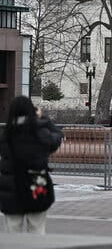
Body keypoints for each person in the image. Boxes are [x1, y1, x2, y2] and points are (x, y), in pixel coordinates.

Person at [0, 97, 63, 234]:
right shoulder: (39, 132)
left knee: (12, 230)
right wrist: (44, 120)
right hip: (36, 185)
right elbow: (56, 138)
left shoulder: (7, 134)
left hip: (11, 188)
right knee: (37, 228)